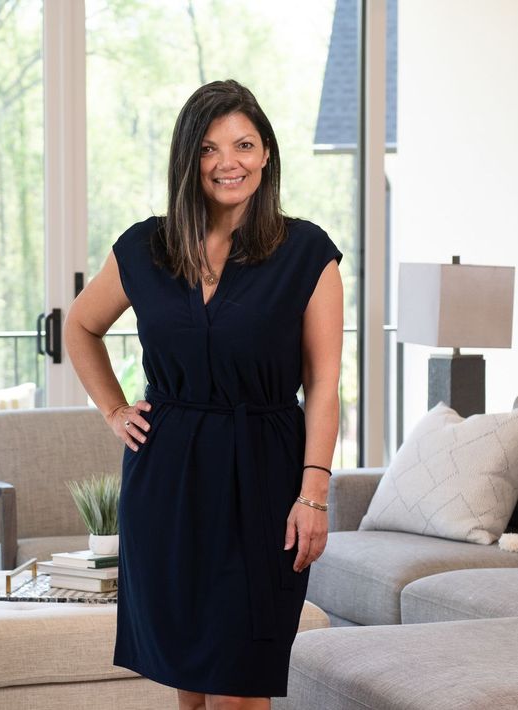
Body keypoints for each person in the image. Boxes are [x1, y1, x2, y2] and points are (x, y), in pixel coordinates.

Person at [63, 78, 344, 710]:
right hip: (167, 481)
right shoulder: (145, 246)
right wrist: (113, 409)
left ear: (266, 153)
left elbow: (325, 382)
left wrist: (316, 493)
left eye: (244, 144)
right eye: (210, 148)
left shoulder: (307, 253)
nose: (228, 163)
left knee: (242, 687)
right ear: (189, 159)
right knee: (188, 680)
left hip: (265, 479)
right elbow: (80, 326)